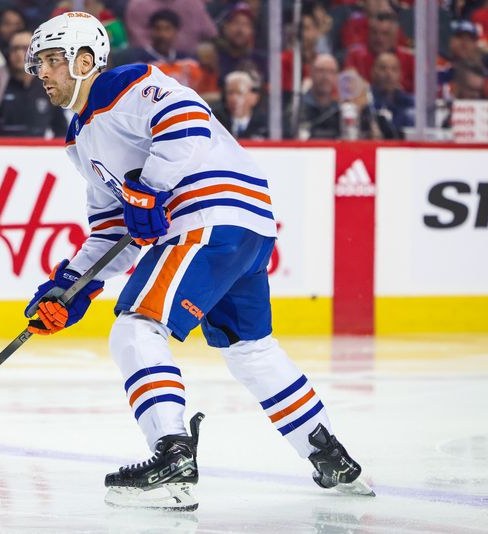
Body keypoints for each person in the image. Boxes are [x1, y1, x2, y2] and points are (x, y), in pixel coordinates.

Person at [22, 11, 374, 511]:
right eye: (40, 64)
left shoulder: (125, 83)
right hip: (245, 228)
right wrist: (72, 286)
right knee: (249, 348)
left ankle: (172, 455)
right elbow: (111, 230)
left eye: (54, 61)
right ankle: (328, 453)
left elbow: (187, 123)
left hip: (209, 216)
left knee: (135, 328)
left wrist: (151, 189)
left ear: (85, 61)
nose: (44, 73)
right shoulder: (79, 141)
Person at [0, 30, 68, 136]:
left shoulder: (49, 90)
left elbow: (61, 132)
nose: (19, 53)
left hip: (39, 151)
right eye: (15, 49)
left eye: (25, 48)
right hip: (2, 151)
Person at [114, 9, 206, 93]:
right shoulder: (138, 62)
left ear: (176, 32)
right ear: (151, 31)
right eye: (158, 29)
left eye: (167, 29)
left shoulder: (188, 60)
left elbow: (201, 90)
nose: (162, 34)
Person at [295, 54, 342, 140]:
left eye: (331, 72)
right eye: (321, 71)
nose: (325, 77)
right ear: (311, 73)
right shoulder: (297, 107)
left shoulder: (339, 110)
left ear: (336, 76)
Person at [369, 51, 415, 139]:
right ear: (373, 72)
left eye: (394, 69)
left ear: (400, 75)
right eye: (383, 68)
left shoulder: (410, 103)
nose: (388, 74)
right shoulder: (366, 101)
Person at [213, 70, 267, 139]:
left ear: (254, 97)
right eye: (230, 93)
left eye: (239, 93)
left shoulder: (265, 124)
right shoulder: (215, 120)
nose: (234, 98)